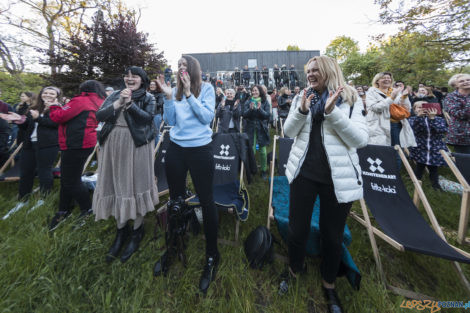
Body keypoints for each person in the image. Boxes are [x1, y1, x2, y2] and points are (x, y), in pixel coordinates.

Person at [279, 56, 368, 313]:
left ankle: (329, 285)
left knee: (332, 236)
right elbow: (288, 132)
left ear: (329, 71)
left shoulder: (350, 98)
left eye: (316, 70)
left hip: (337, 179)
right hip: (304, 175)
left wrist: (332, 113)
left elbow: (360, 139)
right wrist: (303, 110)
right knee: (297, 230)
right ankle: (294, 269)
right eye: (308, 71)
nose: (310, 74)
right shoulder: (302, 96)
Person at [153, 55, 219, 294]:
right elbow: (169, 121)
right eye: (178, 65)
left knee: (206, 199)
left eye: (184, 65)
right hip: (177, 149)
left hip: (200, 149)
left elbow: (206, 118)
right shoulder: (175, 91)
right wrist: (168, 97)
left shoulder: (207, 89)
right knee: (176, 200)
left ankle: (212, 255)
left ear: (192, 69)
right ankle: (173, 246)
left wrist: (190, 93)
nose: (181, 68)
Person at [92, 66, 159, 263]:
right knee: (117, 184)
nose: (130, 79)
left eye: (135, 76)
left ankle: (137, 230)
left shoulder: (149, 97)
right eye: (127, 76)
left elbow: (147, 119)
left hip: (137, 145)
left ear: (142, 80)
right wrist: (118, 102)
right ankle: (121, 230)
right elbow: (99, 116)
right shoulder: (114, 95)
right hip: (113, 144)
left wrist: (130, 105)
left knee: (136, 184)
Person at [48, 80, 105, 230]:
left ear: (83, 89)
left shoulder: (80, 101)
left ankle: (87, 209)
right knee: (68, 178)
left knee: (71, 180)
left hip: (75, 143)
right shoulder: (100, 100)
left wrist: (53, 106)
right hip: (86, 143)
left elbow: (58, 117)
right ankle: (64, 208)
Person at [0, 86, 60, 209]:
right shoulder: (34, 108)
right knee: (26, 171)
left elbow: (55, 124)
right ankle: (23, 199)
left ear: (57, 96)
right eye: (45, 92)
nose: (48, 95)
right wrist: (19, 120)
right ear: (41, 94)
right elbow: (28, 126)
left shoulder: (59, 108)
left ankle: (44, 199)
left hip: (48, 145)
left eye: (51, 93)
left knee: (44, 171)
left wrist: (38, 118)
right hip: (29, 143)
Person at [365, 72, 416, 149]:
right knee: (383, 151)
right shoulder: (371, 92)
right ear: (377, 81)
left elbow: (406, 108)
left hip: (396, 124)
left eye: (388, 78)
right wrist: (391, 98)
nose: (386, 79)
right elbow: (375, 107)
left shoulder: (395, 91)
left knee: (398, 150)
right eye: (383, 78)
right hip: (379, 125)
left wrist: (404, 97)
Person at [408, 101, 448, 190]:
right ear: (414, 110)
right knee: (419, 166)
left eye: (425, 106)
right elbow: (412, 129)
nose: (423, 108)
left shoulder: (439, 119)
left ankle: (435, 185)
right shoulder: (413, 119)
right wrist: (418, 117)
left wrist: (432, 119)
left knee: (433, 168)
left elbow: (441, 130)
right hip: (420, 148)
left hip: (435, 148)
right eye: (419, 107)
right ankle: (415, 183)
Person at [242, 85, 271, 178]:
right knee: (252, 150)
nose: (254, 92)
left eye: (256, 90)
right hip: (250, 129)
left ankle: (263, 170)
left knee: (262, 151)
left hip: (261, 129)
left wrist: (260, 109)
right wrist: (250, 109)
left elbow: (267, 115)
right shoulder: (248, 101)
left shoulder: (265, 101)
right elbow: (244, 115)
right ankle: (251, 169)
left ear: (260, 92)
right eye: (253, 90)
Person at [444, 73, 470, 154]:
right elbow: (460, 114)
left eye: (468, 80)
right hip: (461, 136)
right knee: (465, 163)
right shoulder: (451, 97)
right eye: (461, 81)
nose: (466, 82)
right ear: (455, 85)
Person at [149, 79, 165, 144]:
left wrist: (150, 103)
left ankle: (156, 151)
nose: (152, 86)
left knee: (155, 134)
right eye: (151, 84)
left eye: (153, 84)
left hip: (156, 115)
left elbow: (160, 104)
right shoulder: (147, 93)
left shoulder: (160, 94)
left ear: (156, 86)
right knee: (149, 133)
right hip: (148, 115)